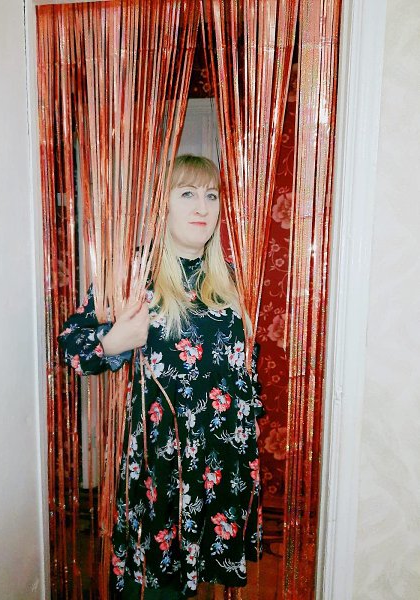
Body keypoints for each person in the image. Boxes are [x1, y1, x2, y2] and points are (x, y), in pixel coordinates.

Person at [59, 155, 263, 599]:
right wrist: (114, 340)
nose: (202, 207)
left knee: (200, 571)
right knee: (156, 580)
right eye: (187, 193)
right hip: (164, 459)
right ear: (162, 205)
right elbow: (71, 346)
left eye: (211, 196)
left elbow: (246, 364)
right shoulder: (134, 275)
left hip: (221, 456)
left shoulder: (231, 278)